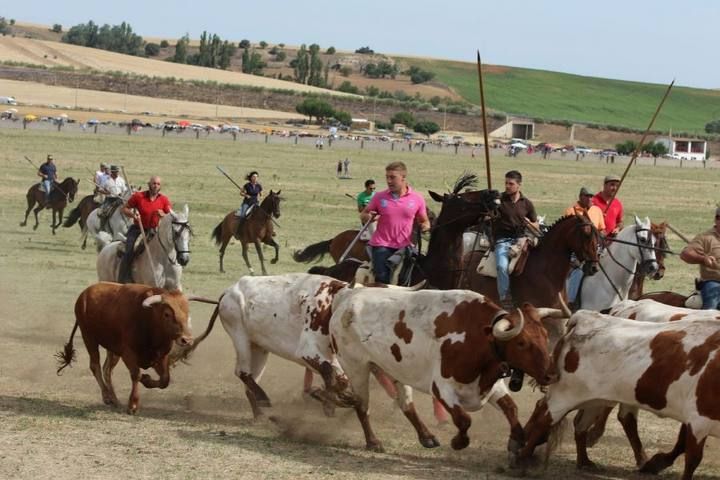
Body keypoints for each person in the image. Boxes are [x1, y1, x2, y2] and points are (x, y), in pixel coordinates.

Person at [360, 161, 430, 284]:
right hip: (382, 244)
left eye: (392, 177)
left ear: (403, 177)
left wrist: (424, 226)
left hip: (406, 246)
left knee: (412, 278)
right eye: (387, 177)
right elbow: (364, 214)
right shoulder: (379, 197)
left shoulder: (417, 198)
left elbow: (424, 220)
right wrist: (369, 216)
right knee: (382, 278)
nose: (389, 181)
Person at [493, 170, 538, 309]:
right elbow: (489, 214)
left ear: (519, 185)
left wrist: (529, 223)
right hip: (503, 240)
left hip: (521, 240)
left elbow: (536, 223)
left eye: (511, 184)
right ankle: (505, 297)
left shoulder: (527, 204)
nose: (507, 186)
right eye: (506, 183)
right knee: (501, 266)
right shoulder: (499, 200)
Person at [119, 176, 172, 283]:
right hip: (138, 229)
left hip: (155, 231)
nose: (155, 186)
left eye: (158, 184)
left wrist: (164, 215)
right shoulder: (139, 196)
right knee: (129, 250)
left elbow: (171, 216)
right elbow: (124, 209)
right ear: (149, 184)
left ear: (160, 186)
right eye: (153, 183)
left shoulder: (164, 200)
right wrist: (133, 215)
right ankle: (124, 277)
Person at [564, 187, 605, 304]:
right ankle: (570, 301)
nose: (590, 198)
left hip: (595, 249)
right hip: (576, 251)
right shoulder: (571, 211)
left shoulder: (597, 211)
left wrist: (600, 239)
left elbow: (602, 230)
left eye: (591, 196)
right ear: (580, 197)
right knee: (579, 270)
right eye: (587, 196)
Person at [680, 208, 720, 309]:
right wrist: (703, 259)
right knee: (711, 306)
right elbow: (685, 254)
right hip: (713, 282)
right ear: (717, 219)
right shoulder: (705, 238)